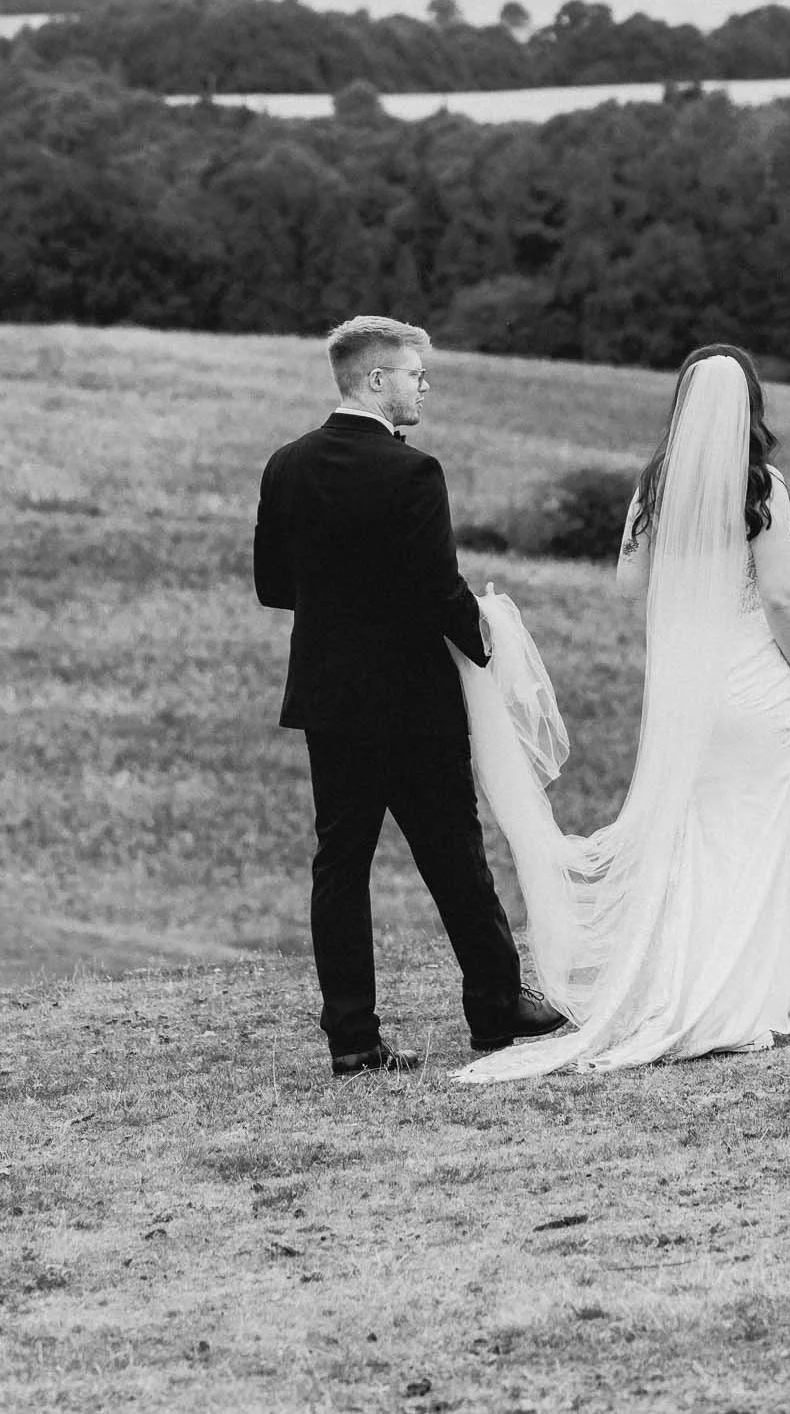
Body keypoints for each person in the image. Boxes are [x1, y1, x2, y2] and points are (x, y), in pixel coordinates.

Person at [454, 342, 790, 1082]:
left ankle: (680, 990)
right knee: (750, 837)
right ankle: (740, 1000)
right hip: (750, 685)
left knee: (691, 838)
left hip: (687, 695)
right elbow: (779, 596)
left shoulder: (656, 486)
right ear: (750, 402)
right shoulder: (763, 485)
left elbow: (629, 580)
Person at [252, 315, 569, 1076]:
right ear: (374, 380)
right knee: (454, 853)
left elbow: (272, 586)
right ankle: (495, 1006)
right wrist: (489, 635)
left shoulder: (285, 465)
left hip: (331, 698)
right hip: (412, 699)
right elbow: (438, 590)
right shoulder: (412, 473)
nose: (423, 385)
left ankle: (353, 1040)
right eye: (414, 373)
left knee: (340, 864)